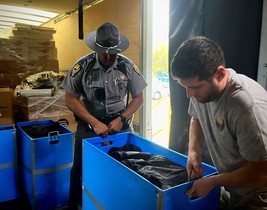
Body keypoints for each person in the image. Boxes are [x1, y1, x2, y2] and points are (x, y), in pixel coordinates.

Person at [170, 36, 267, 210]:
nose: (189, 95)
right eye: (184, 86)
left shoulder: (245, 106)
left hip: (257, 195)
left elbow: (262, 173)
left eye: (195, 87)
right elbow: (196, 118)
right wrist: (194, 152)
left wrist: (212, 181)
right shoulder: (200, 90)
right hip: (231, 186)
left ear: (220, 73)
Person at [60, 22, 147, 210]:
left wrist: (122, 119)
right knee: (80, 168)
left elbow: (139, 97)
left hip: (120, 124)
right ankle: (75, 206)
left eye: (112, 52)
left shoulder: (127, 66)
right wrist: (93, 122)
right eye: (104, 52)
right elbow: (70, 98)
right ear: (96, 47)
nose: (108, 57)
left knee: (130, 166)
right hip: (90, 125)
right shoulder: (82, 66)